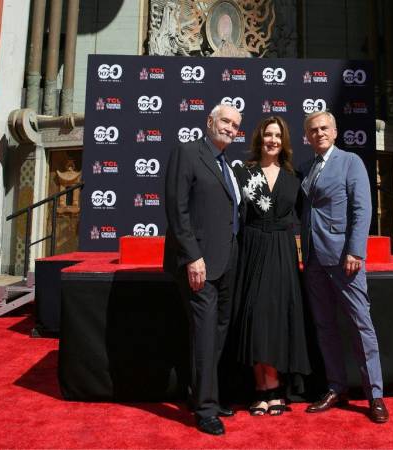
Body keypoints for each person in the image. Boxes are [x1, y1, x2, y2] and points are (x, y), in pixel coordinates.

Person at [298, 110, 389, 423]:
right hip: (312, 260)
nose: (319, 133)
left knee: (361, 326)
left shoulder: (350, 162)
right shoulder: (307, 168)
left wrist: (355, 251)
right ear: (307, 136)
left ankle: (375, 394)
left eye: (324, 128)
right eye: (313, 130)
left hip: (343, 259)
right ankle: (336, 387)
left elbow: (363, 209)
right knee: (325, 327)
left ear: (334, 132)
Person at [164, 104, 242, 436]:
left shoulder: (227, 165)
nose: (230, 128)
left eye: (236, 125)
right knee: (205, 333)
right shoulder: (188, 151)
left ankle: (205, 393)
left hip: (227, 262)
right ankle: (205, 409)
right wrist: (192, 256)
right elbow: (176, 206)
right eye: (225, 121)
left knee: (220, 330)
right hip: (199, 263)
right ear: (209, 121)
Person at [233, 116, 311, 416]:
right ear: (259, 138)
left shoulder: (294, 176)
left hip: (281, 250)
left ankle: (275, 388)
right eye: (268, 135)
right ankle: (260, 389)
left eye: (278, 135)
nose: (273, 140)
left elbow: (304, 217)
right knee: (255, 316)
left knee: (278, 317)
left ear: (284, 141)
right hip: (252, 248)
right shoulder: (244, 172)